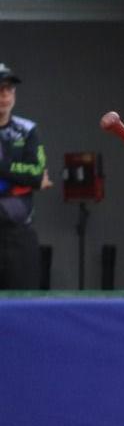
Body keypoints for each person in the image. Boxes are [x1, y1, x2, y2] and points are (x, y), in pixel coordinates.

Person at [0, 63, 46, 290]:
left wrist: (2, 167)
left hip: (19, 232)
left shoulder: (27, 129)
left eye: (9, 89)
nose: (5, 95)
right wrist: (17, 177)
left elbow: (37, 173)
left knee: (23, 304)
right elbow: (32, 178)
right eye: (0, 89)